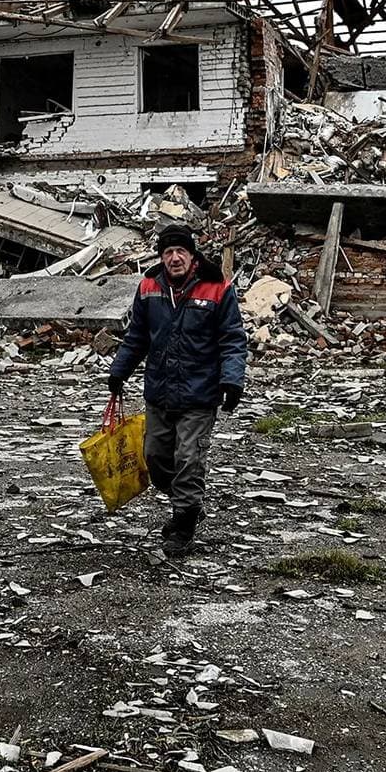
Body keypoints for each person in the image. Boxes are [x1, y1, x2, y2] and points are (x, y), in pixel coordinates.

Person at [106, 224, 247, 556]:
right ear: (161, 257)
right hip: (160, 391)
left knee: (188, 459)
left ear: (192, 255)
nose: (174, 258)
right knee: (154, 458)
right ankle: (189, 504)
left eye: (180, 251)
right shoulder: (148, 287)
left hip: (200, 393)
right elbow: (137, 336)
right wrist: (118, 372)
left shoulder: (217, 287)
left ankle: (183, 524)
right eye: (168, 252)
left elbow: (232, 339)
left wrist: (232, 380)